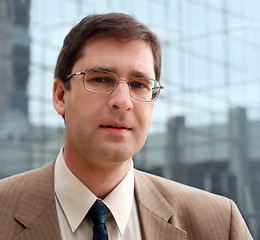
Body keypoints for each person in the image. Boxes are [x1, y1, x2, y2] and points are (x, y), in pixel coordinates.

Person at [0, 13, 253, 240]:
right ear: (60, 96)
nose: (123, 101)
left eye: (139, 84)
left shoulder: (219, 224)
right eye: (100, 79)